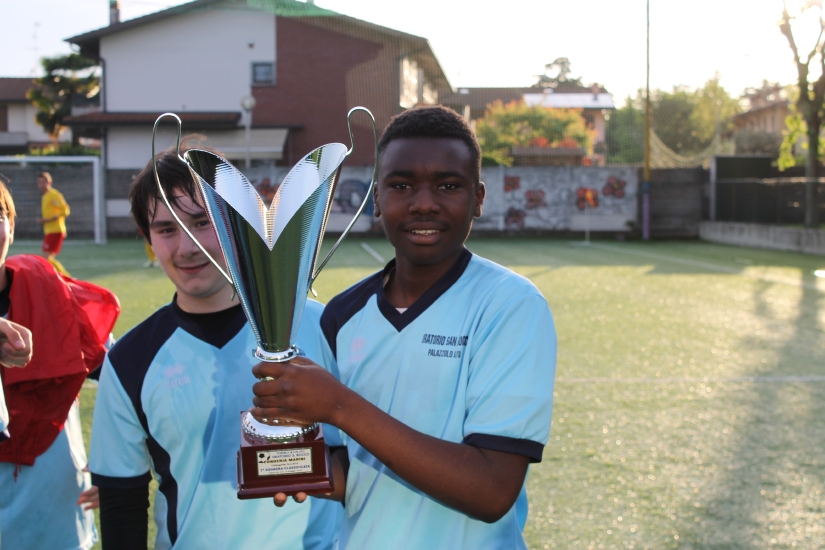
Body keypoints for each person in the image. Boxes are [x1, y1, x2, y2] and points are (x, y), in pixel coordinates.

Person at [251, 105, 557, 549]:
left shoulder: (510, 304)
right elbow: (353, 468)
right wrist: (290, 465)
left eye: (448, 186)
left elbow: (492, 490)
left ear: (478, 198)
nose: (424, 203)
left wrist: (338, 405)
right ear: (377, 198)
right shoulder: (342, 314)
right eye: (401, 185)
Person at [89, 139, 343, 550]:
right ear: (148, 238)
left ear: (233, 223)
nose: (187, 247)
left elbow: (369, 460)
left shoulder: (325, 327)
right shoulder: (129, 361)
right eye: (167, 229)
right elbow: (122, 503)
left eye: (202, 221)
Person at [0, 177, 120, 550]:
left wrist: (117, 458)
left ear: (11, 225)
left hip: (53, 506)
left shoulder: (52, 295)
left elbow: (126, 379)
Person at [35, 171, 71, 276]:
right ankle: (62, 277)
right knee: (47, 258)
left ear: (49, 182)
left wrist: (48, 219)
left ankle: (67, 277)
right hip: (50, 230)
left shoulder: (54, 195)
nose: (41, 184)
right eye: (39, 182)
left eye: (43, 182)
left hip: (56, 230)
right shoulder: (45, 196)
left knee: (45, 258)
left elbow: (65, 211)